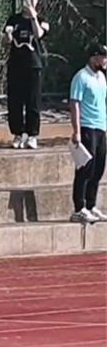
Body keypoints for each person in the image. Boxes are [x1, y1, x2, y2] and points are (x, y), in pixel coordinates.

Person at [3, 0, 49, 150]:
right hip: (16, 65)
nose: (29, 2)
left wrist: (33, 16)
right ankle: (18, 133)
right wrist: (7, 37)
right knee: (15, 102)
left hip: (33, 66)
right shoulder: (13, 19)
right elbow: (5, 41)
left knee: (33, 101)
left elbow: (39, 34)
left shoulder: (42, 19)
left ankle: (32, 135)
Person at [68, 44, 107, 224]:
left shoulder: (101, 78)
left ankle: (91, 205)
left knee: (98, 169)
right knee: (86, 169)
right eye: (102, 56)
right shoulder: (81, 77)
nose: (105, 60)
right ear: (93, 57)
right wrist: (76, 131)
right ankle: (79, 208)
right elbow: (74, 103)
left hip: (101, 128)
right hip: (86, 127)